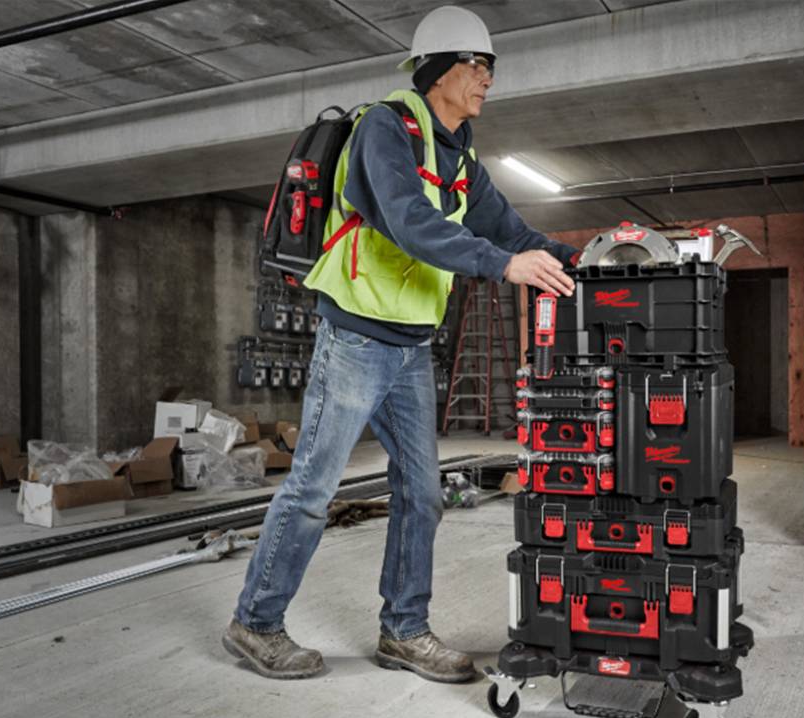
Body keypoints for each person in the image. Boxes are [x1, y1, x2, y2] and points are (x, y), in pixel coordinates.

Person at [223, 5, 577, 682]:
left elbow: (508, 229)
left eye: (491, 67)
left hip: (411, 345)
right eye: (478, 64)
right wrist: (503, 266)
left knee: (422, 493)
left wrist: (587, 258)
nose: (488, 78)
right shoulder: (384, 129)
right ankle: (255, 622)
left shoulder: (460, 152)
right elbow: (410, 221)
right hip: (356, 337)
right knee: (313, 489)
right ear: (439, 68)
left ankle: (404, 632)